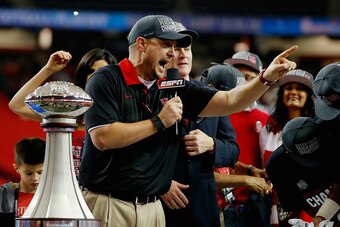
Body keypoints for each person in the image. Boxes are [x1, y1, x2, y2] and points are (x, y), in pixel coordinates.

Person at [78, 14, 298, 227]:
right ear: (142, 44)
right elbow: (103, 137)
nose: (173, 53)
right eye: (166, 44)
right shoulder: (106, 78)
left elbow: (230, 100)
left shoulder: (173, 86)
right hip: (108, 203)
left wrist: (265, 78)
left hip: (152, 209)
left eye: (177, 47)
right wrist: (159, 121)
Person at [160, 32, 241, 226]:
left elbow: (233, 150)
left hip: (204, 207)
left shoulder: (210, 95)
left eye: (186, 49)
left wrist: (211, 144)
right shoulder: (151, 93)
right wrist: (159, 185)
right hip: (164, 204)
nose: (183, 55)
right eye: (176, 49)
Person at [8, 48, 117, 178]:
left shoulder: (120, 114)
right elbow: (17, 105)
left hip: (99, 194)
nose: (95, 77)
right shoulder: (67, 110)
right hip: (62, 192)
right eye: (91, 72)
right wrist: (48, 69)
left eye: (101, 73)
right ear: (83, 75)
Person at [259, 69, 315, 226]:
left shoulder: (318, 129)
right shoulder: (268, 129)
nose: (293, 92)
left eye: (300, 88)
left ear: (309, 95)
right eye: (289, 88)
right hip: (273, 206)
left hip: (311, 204)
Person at [223, 51, 272, 226]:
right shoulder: (215, 113)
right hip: (220, 204)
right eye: (239, 76)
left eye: (250, 78)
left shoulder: (267, 119)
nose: (243, 83)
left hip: (254, 204)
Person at [265, 116, 339, 227]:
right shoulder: (277, 167)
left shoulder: (334, 134)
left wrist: (323, 216)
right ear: (289, 153)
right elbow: (299, 203)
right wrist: (321, 221)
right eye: (309, 159)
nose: (317, 165)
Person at [0, 137, 45, 226]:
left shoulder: (55, 196)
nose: (35, 178)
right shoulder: (3, 195)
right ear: (16, 168)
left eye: (40, 172)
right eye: (28, 173)